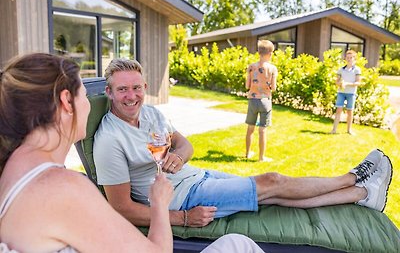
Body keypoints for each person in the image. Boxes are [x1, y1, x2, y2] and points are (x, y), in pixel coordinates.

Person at [0, 53, 262, 253]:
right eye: (84, 96)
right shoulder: (63, 187)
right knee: (240, 245)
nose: (90, 106)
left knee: (237, 242)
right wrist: (159, 202)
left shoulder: (12, 171)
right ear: (68, 102)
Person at [93, 58, 393, 229]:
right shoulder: (109, 140)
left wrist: (181, 157)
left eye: (136, 87)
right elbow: (121, 208)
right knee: (272, 181)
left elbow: (184, 144)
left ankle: (363, 193)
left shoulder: (152, 114)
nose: (131, 96)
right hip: (181, 198)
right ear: (109, 91)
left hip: (196, 176)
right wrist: (182, 218)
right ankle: (356, 176)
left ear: (145, 87)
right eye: (122, 90)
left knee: (272, 194)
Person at [245, 39, 278, 162]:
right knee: (262, 130)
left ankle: (247, 153)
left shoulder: (251, 67)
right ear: (270, 53)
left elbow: (247, 86)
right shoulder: (272, 69)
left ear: (258, 52)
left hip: (253, 100)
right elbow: (273, 88)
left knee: (250, 128)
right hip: (265, 101)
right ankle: (261, 157)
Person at [330, 50, 361, 135]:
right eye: (348, 57)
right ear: (345, 58)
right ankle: (334, 130)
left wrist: (347, 84)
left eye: (351, 58)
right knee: (338, 110)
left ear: (354, 59)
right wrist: (340, 84)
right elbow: (337, 82)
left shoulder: (357, 70)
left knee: (350, 111)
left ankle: (349, 130)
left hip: (351, 93)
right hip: (341, 93)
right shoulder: (341, 69)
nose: (349, 59)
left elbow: (358, 82)